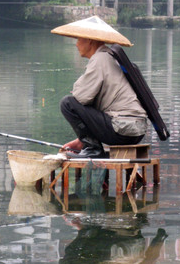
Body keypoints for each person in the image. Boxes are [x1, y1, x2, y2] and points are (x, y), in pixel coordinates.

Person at [52, 16, 148, 159]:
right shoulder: (111, 57)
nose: (77, 44)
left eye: (79, 39)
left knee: (67, 103)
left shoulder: (100, 59)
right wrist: (80, 140)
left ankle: (92, 149)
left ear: (89, 40)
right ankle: (88, 144)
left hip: (121, 129)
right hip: (136, 131)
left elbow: (80, 98)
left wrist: (76, 91)